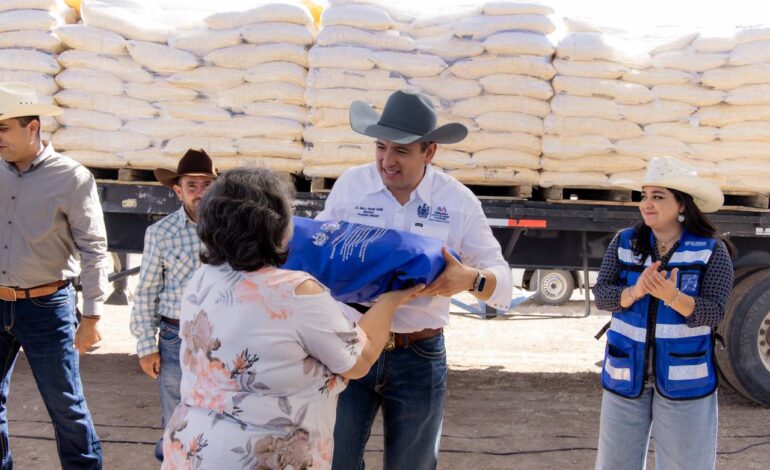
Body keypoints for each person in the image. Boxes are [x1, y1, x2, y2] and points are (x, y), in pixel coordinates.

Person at [162, 167, 423, 469]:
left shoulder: (203, 277)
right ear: (278, 225)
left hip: (192, 450)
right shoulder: (296, 292)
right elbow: (359, 360)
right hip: (263, 458)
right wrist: (391, 301)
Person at [321, 90, 513, 470]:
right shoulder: (351, 187)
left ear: (430, 152)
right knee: (333, 461)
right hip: (350, 344)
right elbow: (322, 257)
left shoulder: (457, 201)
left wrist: (470, 279)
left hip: (419, 357)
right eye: (380, 147)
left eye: (401, 151)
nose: (386, 162)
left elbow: (502, 281)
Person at [593, 156, 735, 470]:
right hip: (625, 374)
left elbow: (713, 312)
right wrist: (635, 292)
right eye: (644, 196)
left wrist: (671, 296)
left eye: (658, 197)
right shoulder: (624, 242)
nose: (647, 204)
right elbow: (602, 295)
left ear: (682, 205)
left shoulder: (712, 250)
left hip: (685, 380)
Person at [0, 82, 108, 468]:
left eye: (2, 129)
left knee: (65, 405)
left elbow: (94, 250)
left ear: (33, 128)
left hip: (46, 307)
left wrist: (92, 316)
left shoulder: (71, 178)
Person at [129, 148, 217, 461]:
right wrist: (145, 346)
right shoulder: (161, 233)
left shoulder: (231, 229)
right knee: (177, 415)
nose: (200, 192)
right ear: (177, 190)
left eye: (207, 184)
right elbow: (148, 290)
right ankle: (174, 462)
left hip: (222, 337)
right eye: (192, 185)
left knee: (218, 411)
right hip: (174, 335)